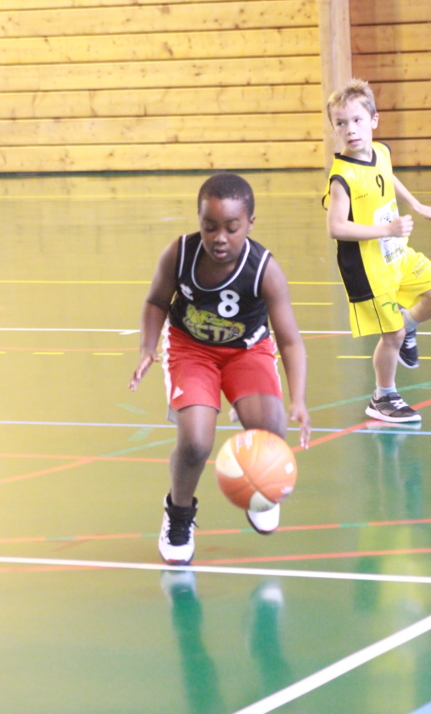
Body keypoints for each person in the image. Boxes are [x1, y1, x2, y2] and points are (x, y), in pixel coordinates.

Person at [129, 172, 311, 565]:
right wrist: (147, 346)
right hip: (191, 349)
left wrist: (298, 398)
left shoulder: (264, 269)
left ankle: (262, 490)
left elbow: (290, 341)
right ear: (198, 220)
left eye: (231, 227)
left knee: (271, 430)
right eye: (209, 226)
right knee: (196, 443)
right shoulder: (180, 254)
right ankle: (179, 514)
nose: (219, 238)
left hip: (247, 351)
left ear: (250, 223)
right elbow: (156, 302)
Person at [323, 78, 431, 424]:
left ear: (373, 120)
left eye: (357, 120)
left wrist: (415, 203)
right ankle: (382, 397)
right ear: (334, 128)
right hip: (366, 269)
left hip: (395, 254)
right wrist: (386, 229)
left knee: (416, 308)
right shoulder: (342, 178)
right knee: (392, 334)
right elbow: (336, 227)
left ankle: (410, 323)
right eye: (341, 123)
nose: (350, 130)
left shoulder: (380, 151)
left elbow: (387, 174)